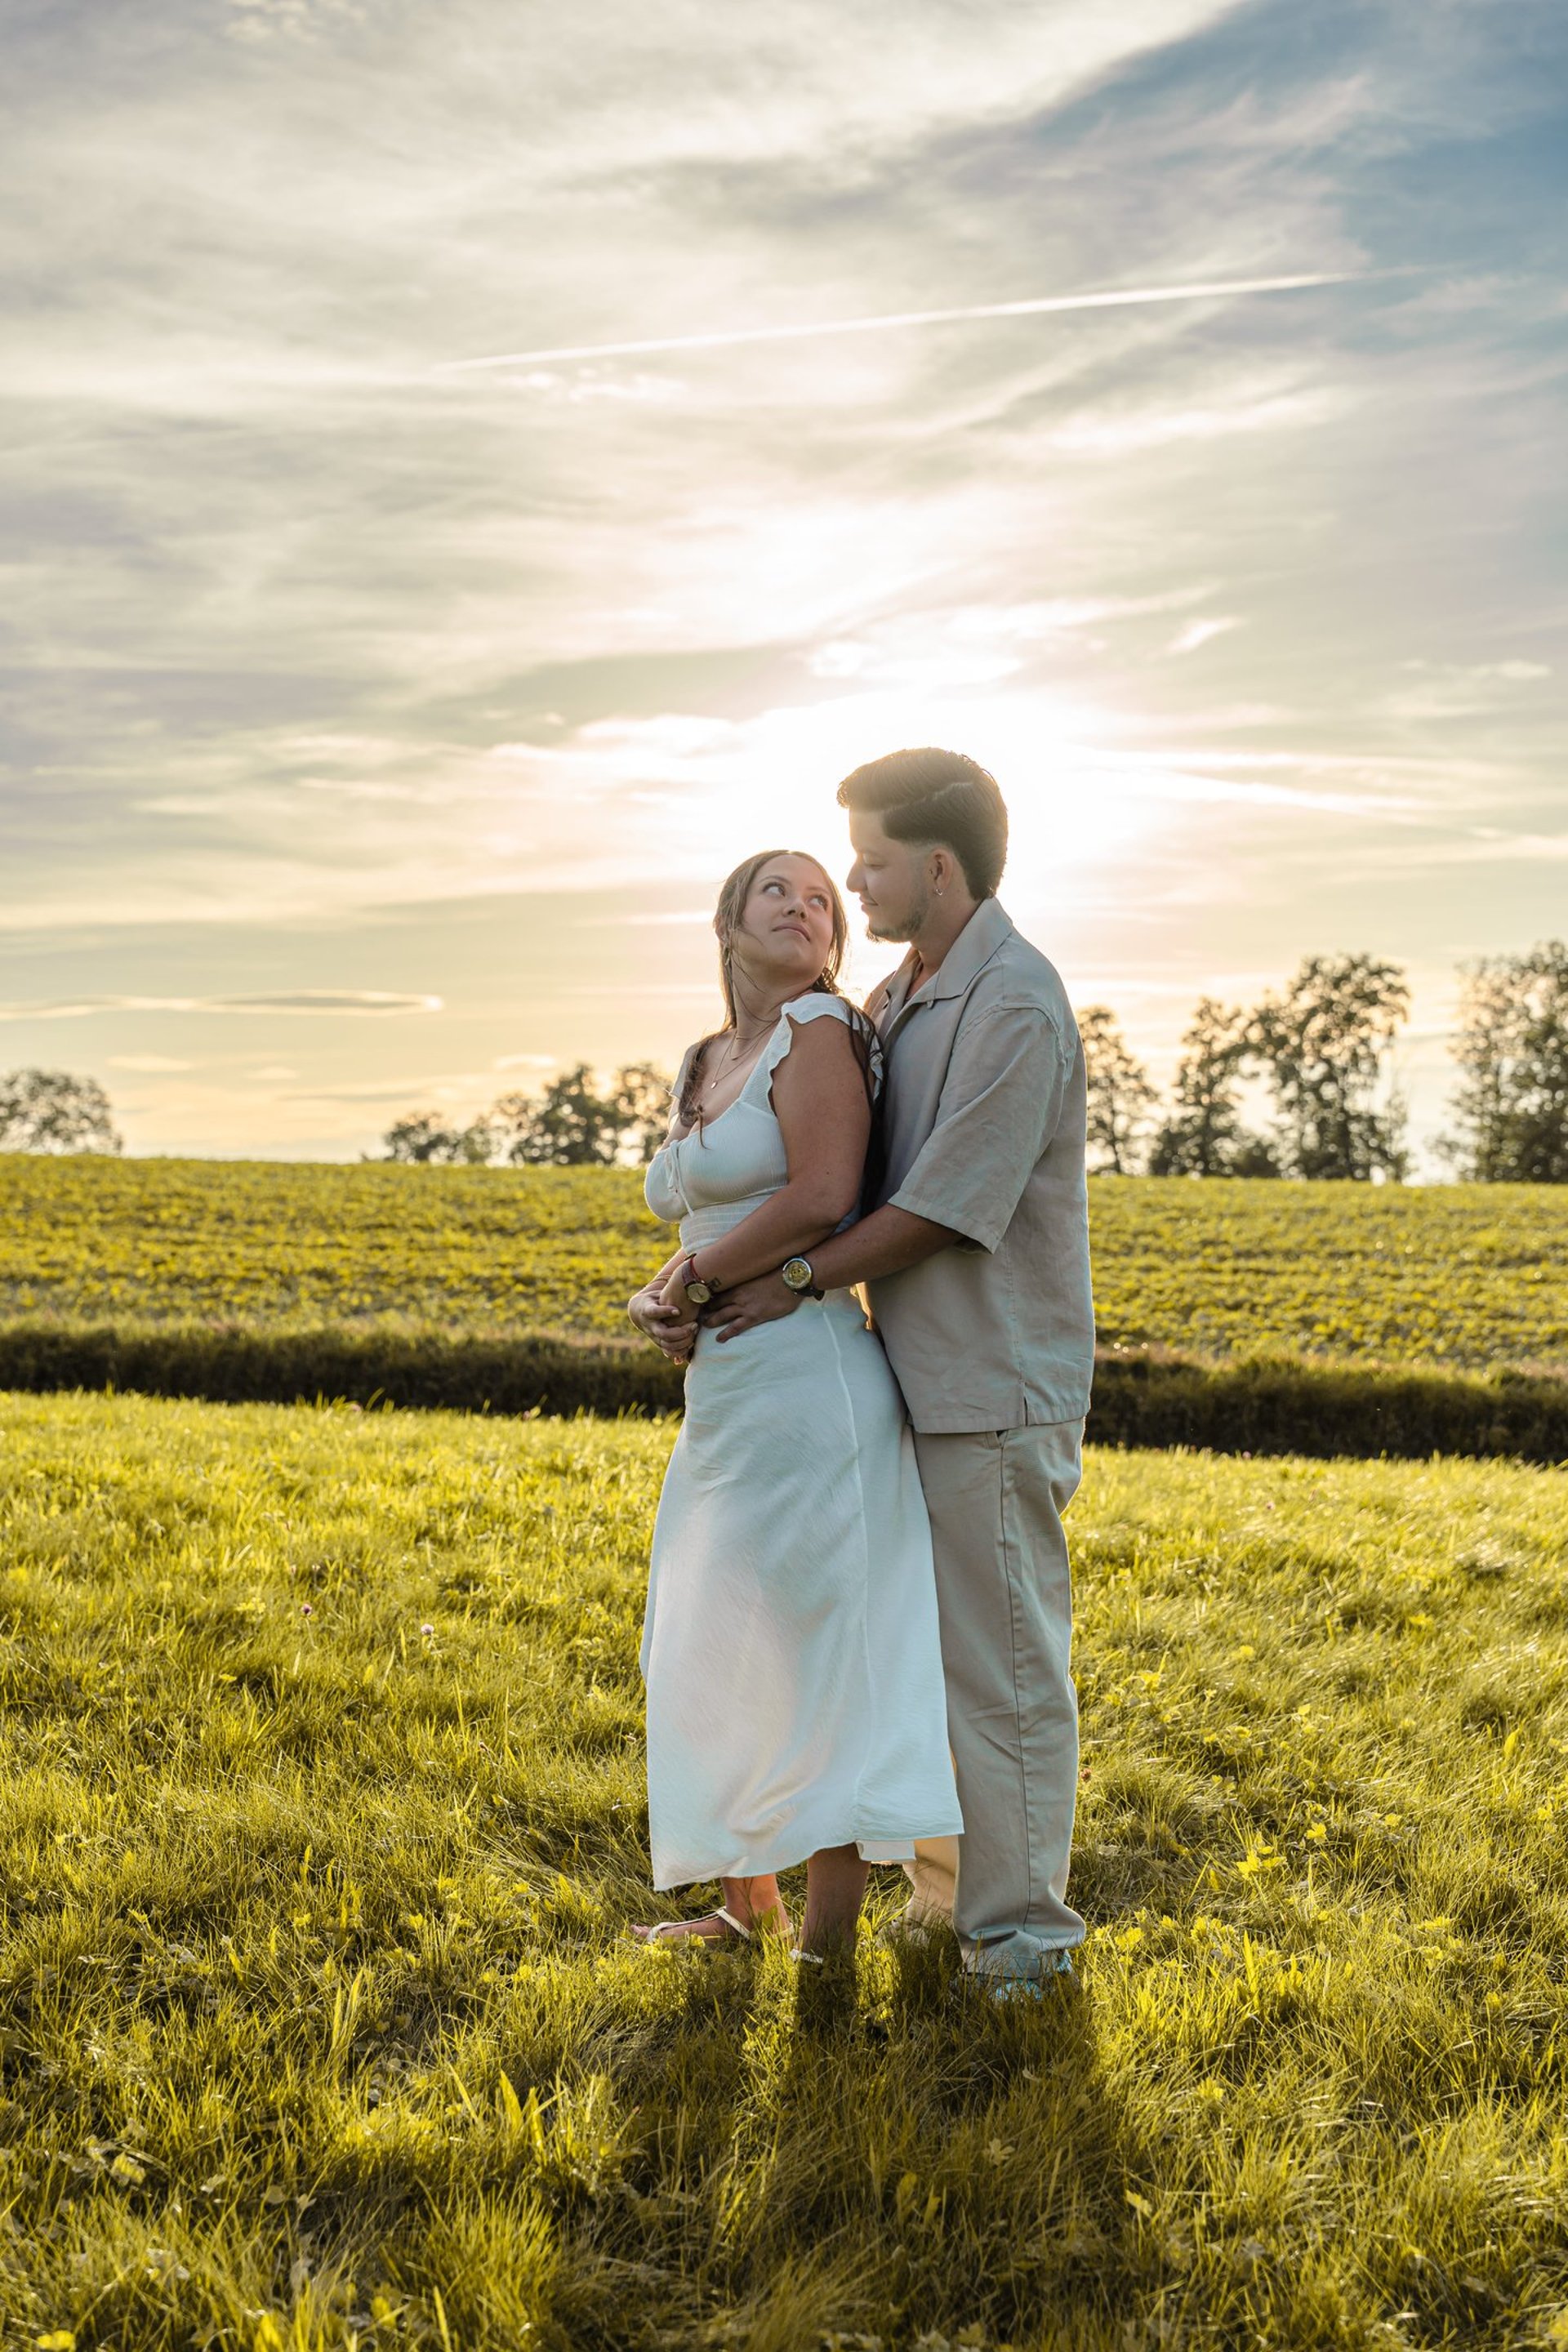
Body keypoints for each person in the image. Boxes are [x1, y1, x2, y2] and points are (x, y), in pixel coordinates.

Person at [700, 751, 1094, 1994]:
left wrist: (795, 1282)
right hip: (903, 1384)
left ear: (937, 866)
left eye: (867, 861)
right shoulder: (897, 994)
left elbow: (938, 1209)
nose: (851, 883)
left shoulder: (1014, 1003)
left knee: (1005, 1670)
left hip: (991, 1384)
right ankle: (943, 1905)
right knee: (927, 1663)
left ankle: (1022, 1944)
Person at [626, 847, 962, 1959]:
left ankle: (825, 1952)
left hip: (813, 1374)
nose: (807, 909)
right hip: (727, 1390)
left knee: (821, 1650)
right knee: (725, 1640)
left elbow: (824, 1193)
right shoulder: (704, 1058)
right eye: (780, 890)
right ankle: (743, 1901)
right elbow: (690, 1225)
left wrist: (698, 1274)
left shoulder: (821, 1031)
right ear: (727, 920)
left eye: (824, 901)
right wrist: (668, 1290)